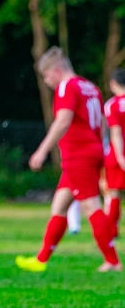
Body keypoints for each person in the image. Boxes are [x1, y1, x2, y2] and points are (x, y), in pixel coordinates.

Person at [16, 47, 121, 273]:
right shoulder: (90, 87)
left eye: (46, 76)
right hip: (91, 151)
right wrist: (98, 147)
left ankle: (112, 261)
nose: (46, 82)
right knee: (60, 205)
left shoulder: (66, 87)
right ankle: (41, 259)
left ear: (56, 70)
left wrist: (42, 150)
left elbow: (63, 120)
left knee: (91, 205)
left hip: (78, 155)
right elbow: (102, 123)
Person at [103, 68, 125, 239]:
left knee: (114, 193)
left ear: (113, 84)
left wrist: (120, 157)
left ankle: (111, 231)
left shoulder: (112, 105)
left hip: (118, 154)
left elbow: (116, 133)